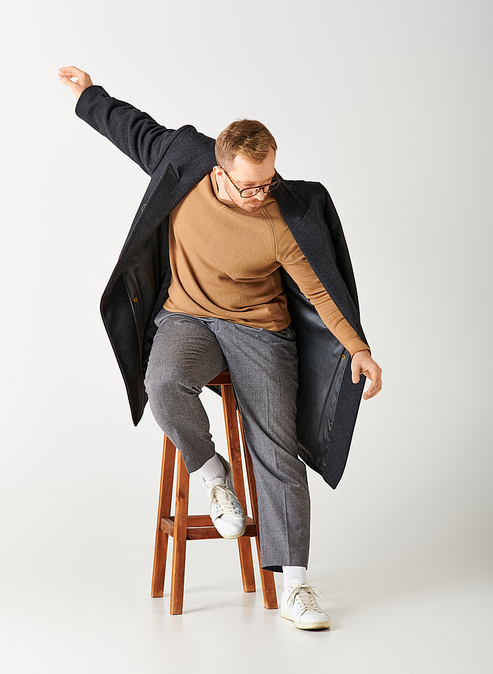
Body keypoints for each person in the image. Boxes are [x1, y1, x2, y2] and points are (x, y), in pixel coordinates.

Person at [58, 65, 382, 631]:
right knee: (161, 383)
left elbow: (320, 292)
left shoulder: (283, 216)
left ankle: (296, 585)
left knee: (277, 448)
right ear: (219, 168)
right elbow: (131, 129)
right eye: (249, 185)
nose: (262, 194)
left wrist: (358, 348)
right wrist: (89, 95)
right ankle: (213, 474)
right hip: (188, 318)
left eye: (269, 181)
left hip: (261, 328)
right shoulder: (182, 160)